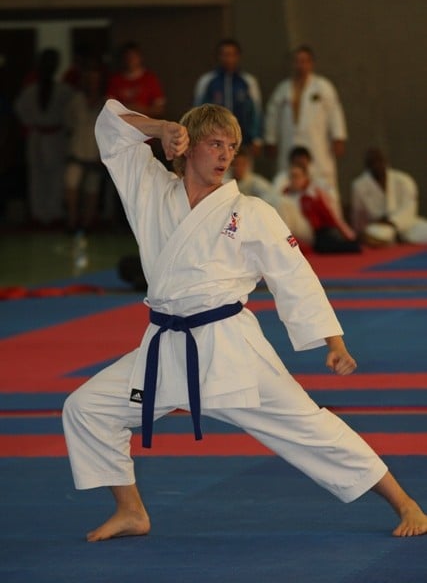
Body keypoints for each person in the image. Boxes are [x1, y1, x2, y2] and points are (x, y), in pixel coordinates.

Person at [62, 99, 427, 542]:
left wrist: (333, 341)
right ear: (187, 145)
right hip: (165, 348)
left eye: (231, 147)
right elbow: (111, 126)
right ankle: (131, 510)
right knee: (87, 408)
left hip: (230, 352)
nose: (225, 155)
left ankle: (405, 502)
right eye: (215, 144)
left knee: (310, 428)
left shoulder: (251, 212)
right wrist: (158, 127)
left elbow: (293, 276)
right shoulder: (149, 189)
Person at [264, 45, 347, 210]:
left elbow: (335, 112)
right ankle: (290, 219)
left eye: (304, 61)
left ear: (311, 63)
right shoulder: (283, 89)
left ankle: (331, 220)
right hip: (290, 144)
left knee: (323, 181)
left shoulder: (323, 86)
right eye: (297, 61)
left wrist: (338, 137)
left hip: (317, 145)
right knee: (288, 181)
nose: (300, 65)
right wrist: (270, 139)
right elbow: (272, 115)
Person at [14, 48, 74, 227]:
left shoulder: (65, 91)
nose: (48, 66)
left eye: (51, 63)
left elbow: (71, 114)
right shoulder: (30, 91)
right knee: (36, 175)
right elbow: (20, 110)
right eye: (45, 62)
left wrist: (66, 129)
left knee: (57, 175)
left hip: (56, 136)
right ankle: (38, 214)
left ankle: (55, 213)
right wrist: (33, 124)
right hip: (37, 136)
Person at [193, 38, 263, 156]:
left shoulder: (248, 82)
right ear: (218, 56)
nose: (228, 59)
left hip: (243, 141)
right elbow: (197, 112)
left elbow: (256, 112)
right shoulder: (206, 81)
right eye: (225, 55)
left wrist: (257, 139)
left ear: (238, 56)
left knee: (242, 168)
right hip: (213, 140)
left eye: (232, 55)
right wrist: (198, 136)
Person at [63, 59, 107, 233]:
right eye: (89, 79)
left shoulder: (105, 103)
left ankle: (88, 224)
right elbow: (68, 126)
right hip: (76, 152)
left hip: (96, 154)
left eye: (95, 80)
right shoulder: (76, 101)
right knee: (71, 184)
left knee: (92, 188)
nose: (92, 83)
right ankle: (72, 221)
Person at [351, 148, 427, 246]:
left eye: (379, 160)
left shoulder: (403, 180)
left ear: (386, 161)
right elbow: (359, 216)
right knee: (375, 234)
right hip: (379, 227)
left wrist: (392, 222)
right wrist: (359, 232)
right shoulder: (359, 186)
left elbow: (409, 208)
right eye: (371, 162)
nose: (376, 165)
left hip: (407, 224)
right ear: (367, 166)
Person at [283, 161, 361, 253]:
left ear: (305, 177)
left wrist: (346, 233)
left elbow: (330, 215)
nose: (293, 180)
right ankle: (293, 246)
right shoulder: (283, 195)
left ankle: (295, 246)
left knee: (329, 243)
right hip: (293, 233)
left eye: (297, 176)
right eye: (291, 176)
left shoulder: (313, 194)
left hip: (316, 232)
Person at [107, 41, 166, 117]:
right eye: (127, 57)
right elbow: (109, 107)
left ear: (140, 58)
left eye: (133, 57)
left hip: (145, 122)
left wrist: (141, 110)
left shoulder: (150, 79)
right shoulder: (115, 80)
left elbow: (159, 109)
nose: (130, 60)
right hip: (121, 122)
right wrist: (127, 109)